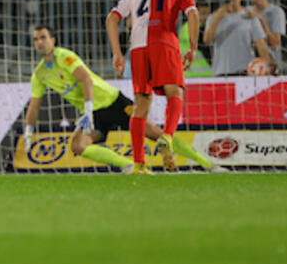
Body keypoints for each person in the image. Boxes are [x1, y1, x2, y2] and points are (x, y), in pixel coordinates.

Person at [24, 25, 218, 173]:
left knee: (155, 134)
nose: (39, 42)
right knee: (78, 145)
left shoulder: (64, 56)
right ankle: (130, 166)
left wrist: (88, 110)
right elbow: (34, 106)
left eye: (43, 37)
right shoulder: (39, 74)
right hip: (93, 114)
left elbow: (85, 79)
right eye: (35, 39)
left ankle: (207, 164)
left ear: (53, 40)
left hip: (112, 102)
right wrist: (28, 131)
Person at [106, 0, 200, 175]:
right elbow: (193, 14)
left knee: (141, 103)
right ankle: (167, 136)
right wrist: (193, 47)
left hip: (137, 48)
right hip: (164, 42)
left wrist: (117, 53)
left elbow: (112, 18)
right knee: (175, 91)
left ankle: (139, 164)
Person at [203, 0, 275, 76]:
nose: (231, 3)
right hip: (221, 71)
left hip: (244, 71)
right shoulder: (213, 17)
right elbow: (207, 40)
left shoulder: (250, 17)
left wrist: (268, 64)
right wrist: (217, 18)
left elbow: (260, 44)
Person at [247, 0, 286, 67]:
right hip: (250, 64)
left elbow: (275, 43)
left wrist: (261, 22)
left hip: (270, 65)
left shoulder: (276, 12)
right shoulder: (247, 11)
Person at [180, 0, 213, 77]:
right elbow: (202, 45)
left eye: (208, 13)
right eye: (203, 13)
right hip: (192, 74)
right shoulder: (189, 27)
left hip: (205, 74)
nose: (206, 17)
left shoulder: (203, 28)